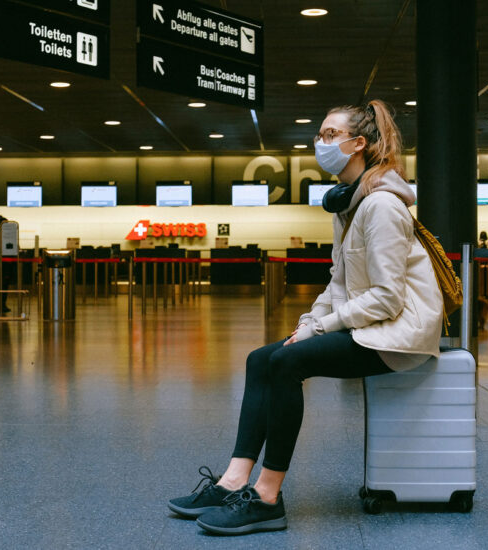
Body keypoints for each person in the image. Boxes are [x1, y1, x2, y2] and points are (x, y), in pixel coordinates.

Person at [167, 100, 444, 535]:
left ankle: (266, 497)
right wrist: (309, 322)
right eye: (320, 134)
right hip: (369, 326)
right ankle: (232, 480)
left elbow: (389, 298)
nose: (320, 142)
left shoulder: (382, 207)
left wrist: (323, 328)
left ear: (359, 145)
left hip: (397, 336)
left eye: (330, 135)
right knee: (262, 358)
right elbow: (339, 281)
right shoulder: (350, 205)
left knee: (287, 362)